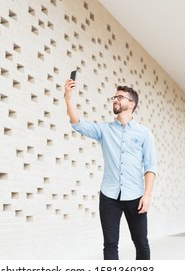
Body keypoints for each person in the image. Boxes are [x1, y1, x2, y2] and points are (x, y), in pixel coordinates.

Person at [64, 78, 156, 260]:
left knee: (141, 242)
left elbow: (150, 167)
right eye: (114, 97)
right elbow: (78, 124)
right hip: (109, 196)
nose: (115, 100)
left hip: (135, 196)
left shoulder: (144, 133)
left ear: (131, 104)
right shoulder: (104, 130)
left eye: (120, 97)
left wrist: (147, 196)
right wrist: (68, 99)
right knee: (110, 245)